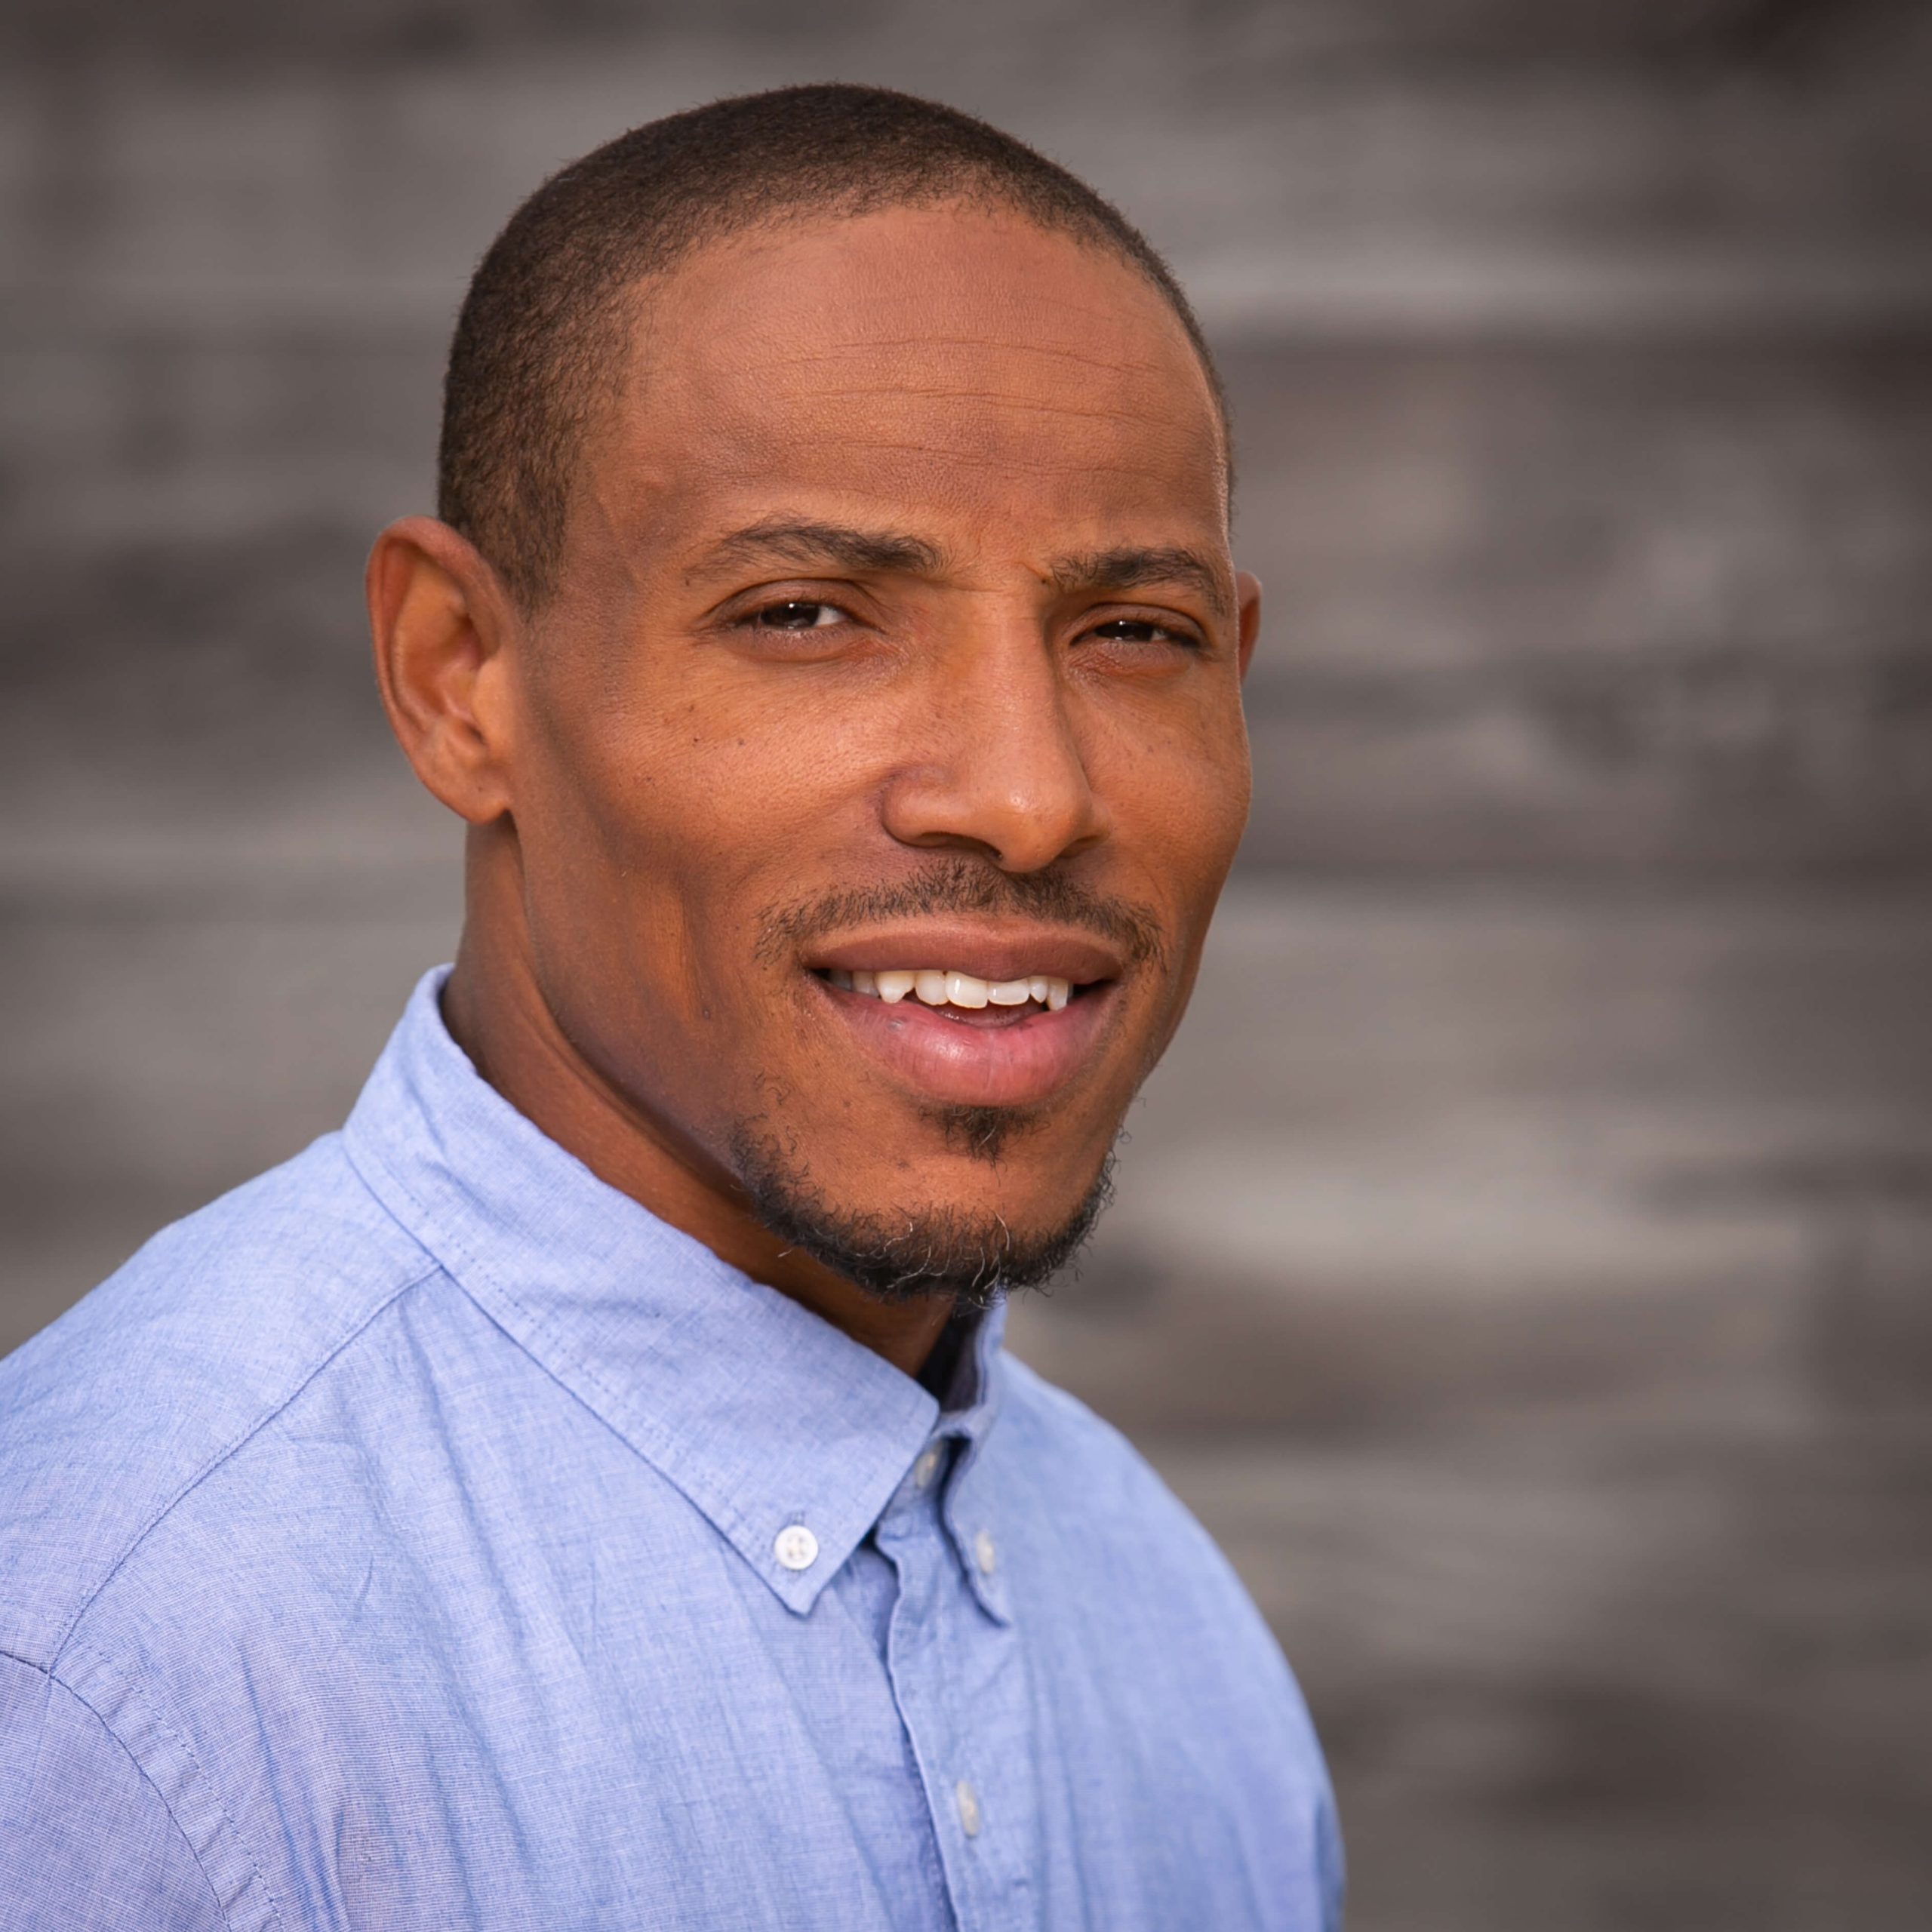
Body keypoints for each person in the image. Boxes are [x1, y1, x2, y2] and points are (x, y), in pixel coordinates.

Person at [0, 85, 1341, 1930]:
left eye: (1131, 630)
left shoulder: (1176, 1647)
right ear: (459, 680)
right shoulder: (100, 1669)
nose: (1031, 793)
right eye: (805, 613)